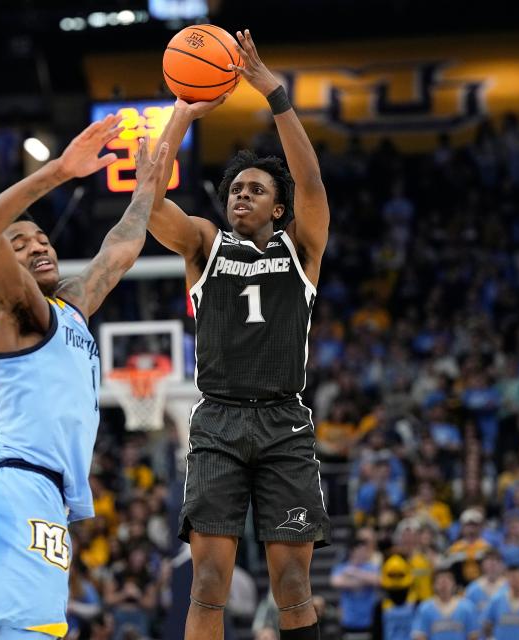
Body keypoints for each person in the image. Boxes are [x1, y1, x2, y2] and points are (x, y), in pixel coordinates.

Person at [0, 114, 172, 640]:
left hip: (15, 497)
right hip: (23, 493)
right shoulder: (19, 309)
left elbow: (118, 253)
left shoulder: (66, 308)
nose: (39, 246)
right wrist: (58, 173)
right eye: (21, 243)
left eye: (42, 238)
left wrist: (144, 193)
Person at [150, 29, 331, 640]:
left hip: (284, 421)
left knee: (293, 586)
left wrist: (274, 95)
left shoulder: (301, 248)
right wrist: (180, 113)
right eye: (234, 189)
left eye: (255, 190)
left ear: (278, 208)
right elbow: (148, 204)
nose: (240, 196)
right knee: (206, 584)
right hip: (219, 421)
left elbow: (312, 186)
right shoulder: (204, 243)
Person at [411, 566, 479, 640]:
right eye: (440, 582)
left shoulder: (467, 607)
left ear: (454, 584)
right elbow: (420, 636)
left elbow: (473, 635)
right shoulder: (425, 608)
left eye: (447, 581)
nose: (444, 585)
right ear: (434, 585)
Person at [371, 554, 418, 640]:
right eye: (393, 575)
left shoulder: (417, 604)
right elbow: (376, 634)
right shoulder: (380, 607)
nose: (396, 580)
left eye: (399, 575)